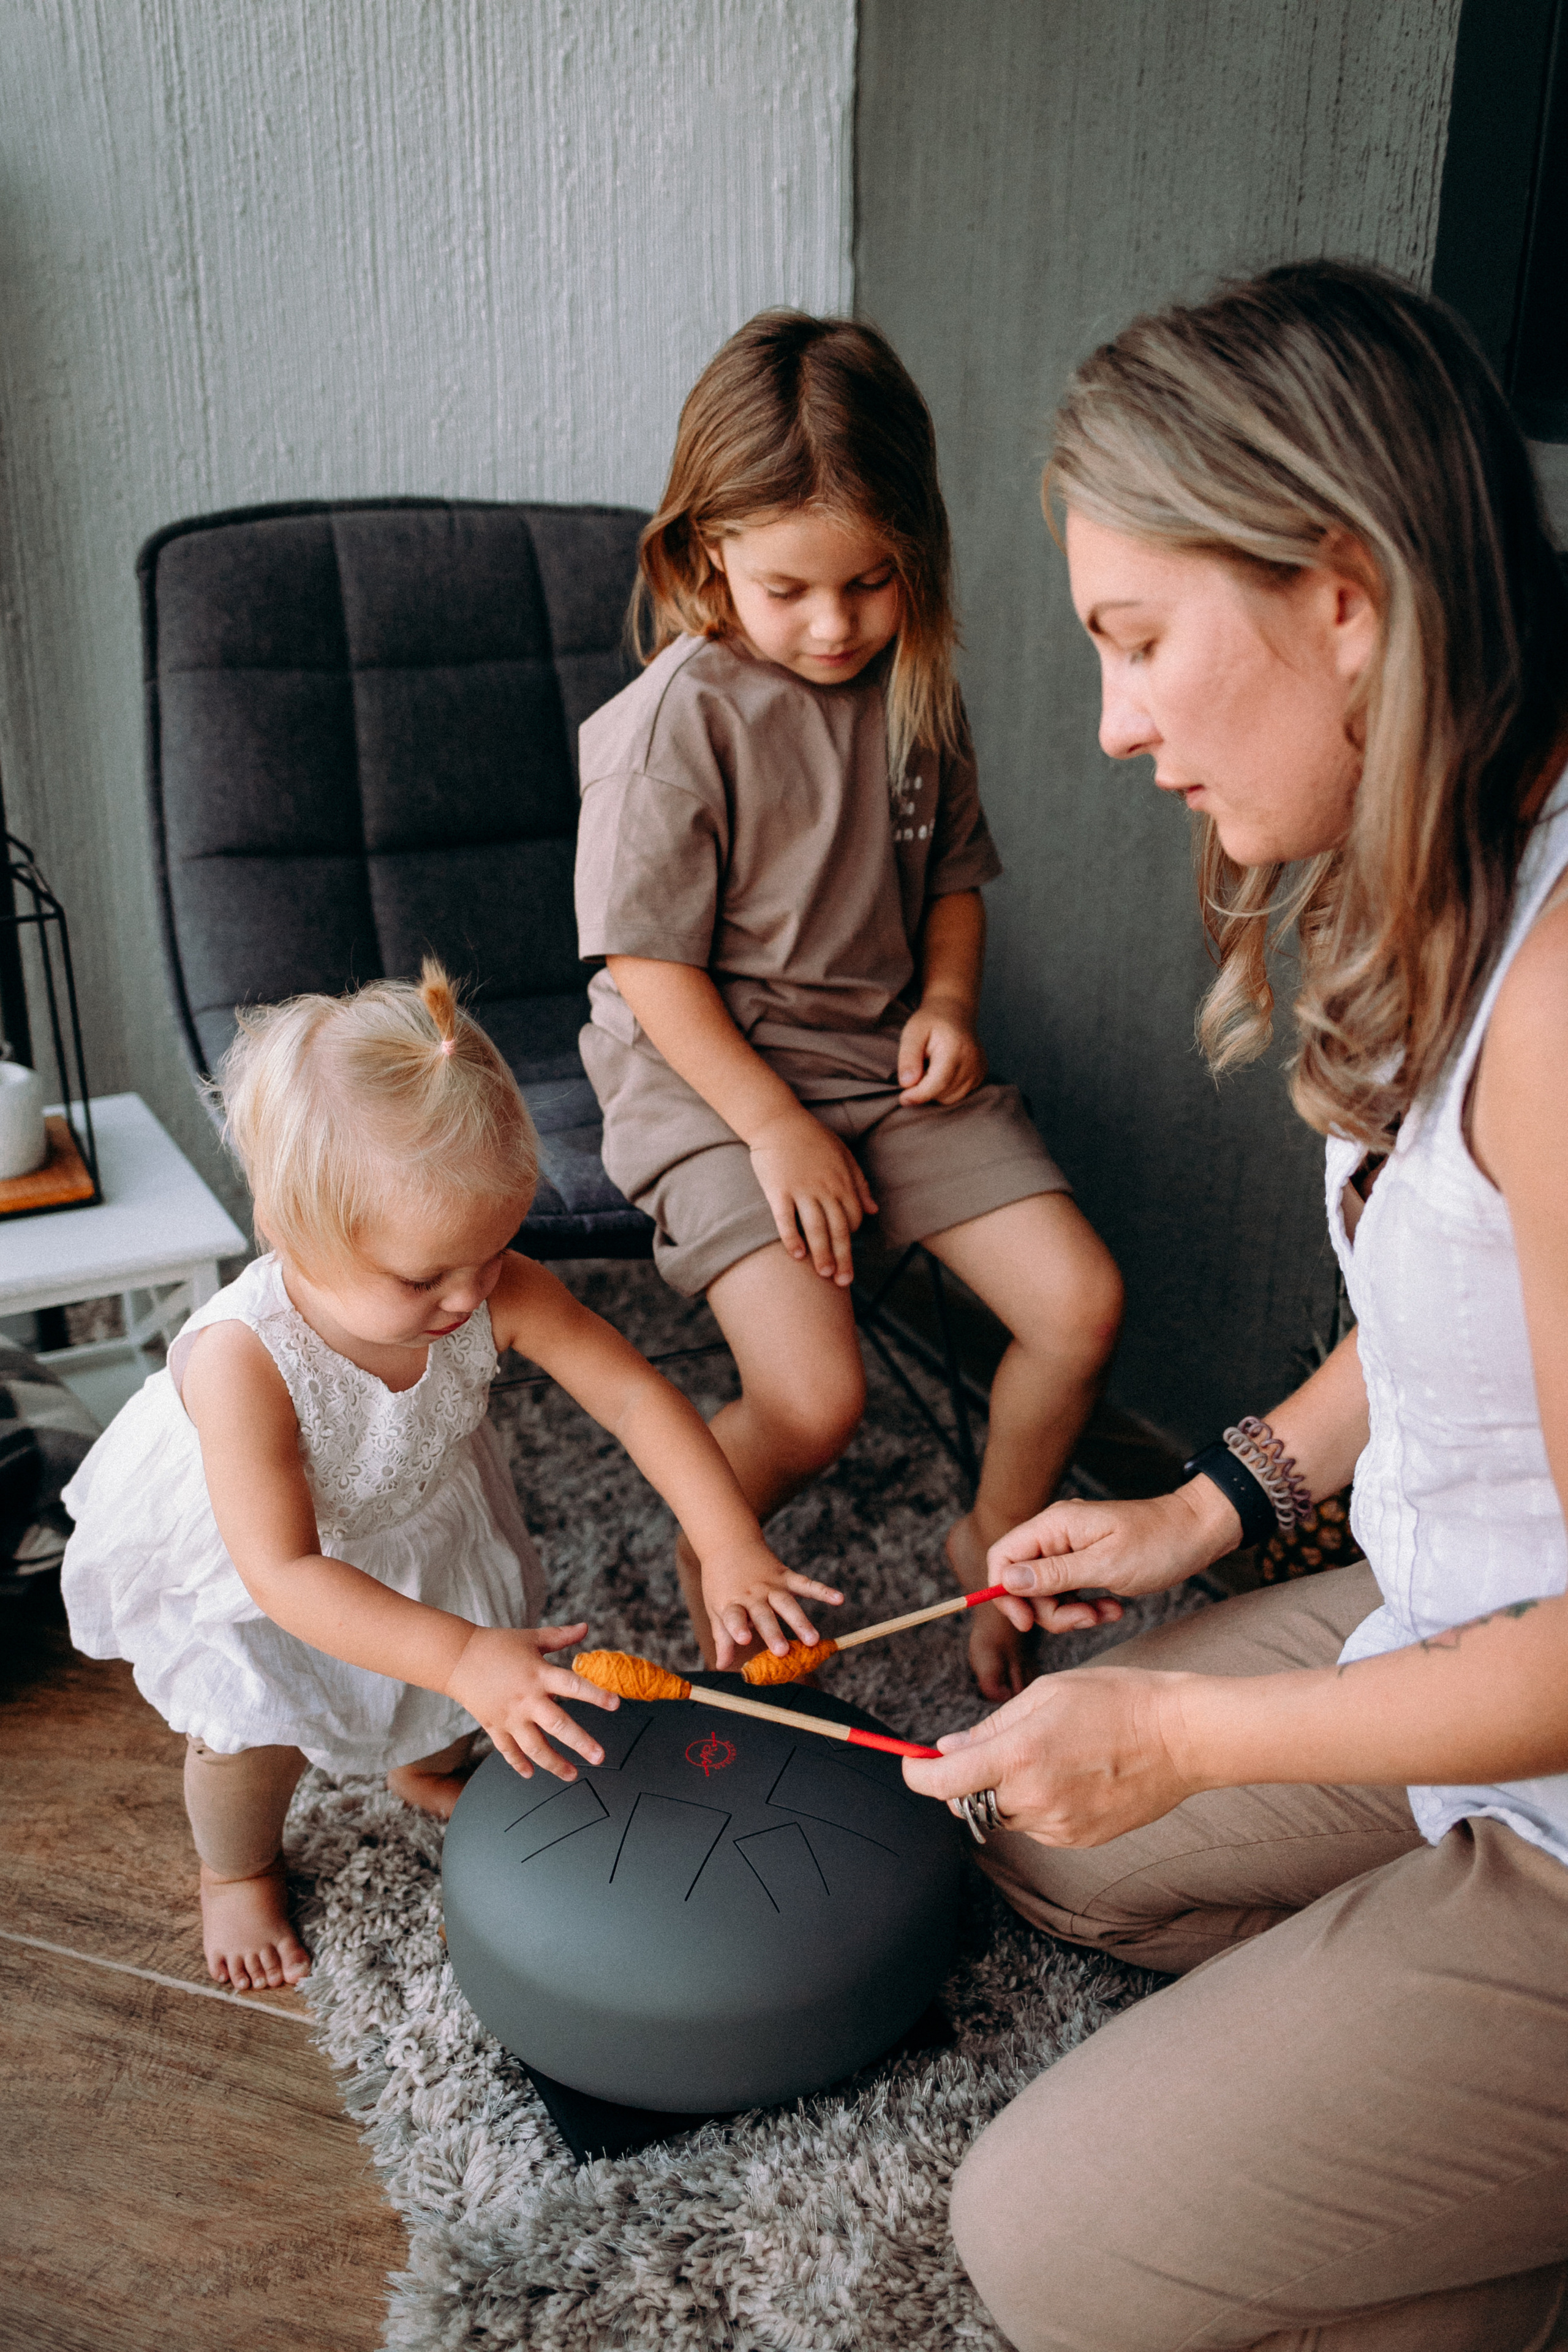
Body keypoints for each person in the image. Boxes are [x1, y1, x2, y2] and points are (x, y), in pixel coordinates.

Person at [906, 260, 1568, 2351]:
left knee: (1053, 2238)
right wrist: (1210, 1511)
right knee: (1055, 1835)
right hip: (1473, 1643)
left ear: (1344, 594)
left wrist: (1194, 1719)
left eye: (1136, 640)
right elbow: (1471, 1292)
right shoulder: (1461, 857)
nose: (1112, 724)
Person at [60, 963, 834, 1996]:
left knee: (464, 1646)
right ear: (292, 1230)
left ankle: (421, 1757)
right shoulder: (242, 1362)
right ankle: (233, 1869)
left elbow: (637, 1399)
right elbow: (285, 1571)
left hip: (414, 1505)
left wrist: (731, 1537)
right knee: (253, 1734)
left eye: (494, 1251)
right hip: (270, 1555)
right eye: (425, 1277)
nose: (472, 1298)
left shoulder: (488, 1285)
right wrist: (463, 1656)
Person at [573, 310, 1123, 1697]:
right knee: (817, 1401)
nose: (833, 627)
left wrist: (946, 997)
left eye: (869, 584)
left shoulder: (915, 686)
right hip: (712, 1083)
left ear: (913, 558)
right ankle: (716, 1540)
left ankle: (988, 1542)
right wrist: (771, 1128)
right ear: (709, 557)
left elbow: (952, 887)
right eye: (788, 591)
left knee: (1077, 1303)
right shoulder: (668, 728)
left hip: (882, 1066)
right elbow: (646, 970)